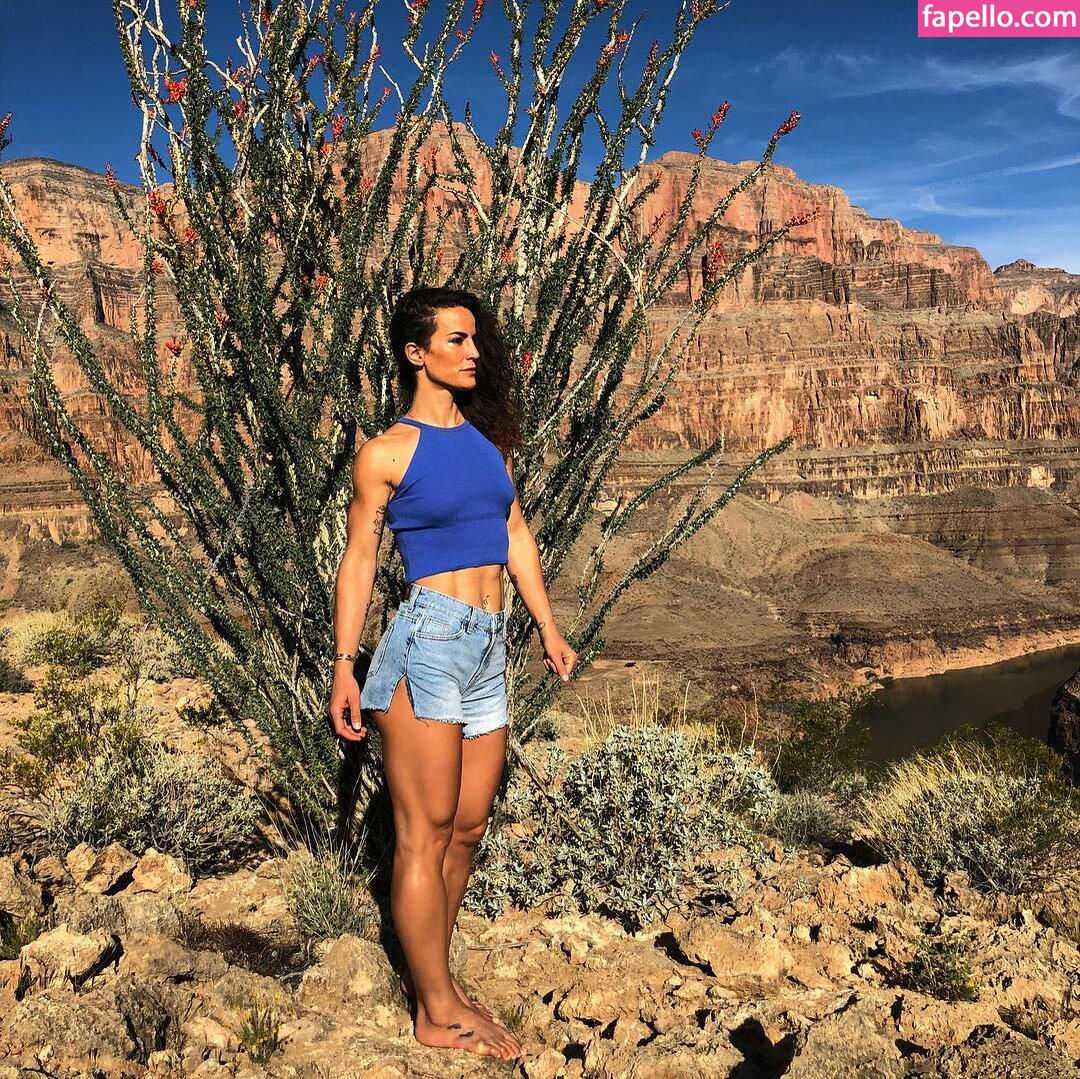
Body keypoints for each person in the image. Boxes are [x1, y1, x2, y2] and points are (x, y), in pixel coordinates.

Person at [328, 287, 578, 1062]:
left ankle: (435, 976)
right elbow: (360, 558)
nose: (474, 353)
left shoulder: (490, 445)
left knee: (467, 825)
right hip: (427, 644)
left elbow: (516, 533)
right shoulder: (385, 454)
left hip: (488, 647)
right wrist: (343, 663)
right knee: (425, 830)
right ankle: (434, 1009)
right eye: (457, 340)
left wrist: (547, 626)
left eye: (475, 340)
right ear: (416, 353)